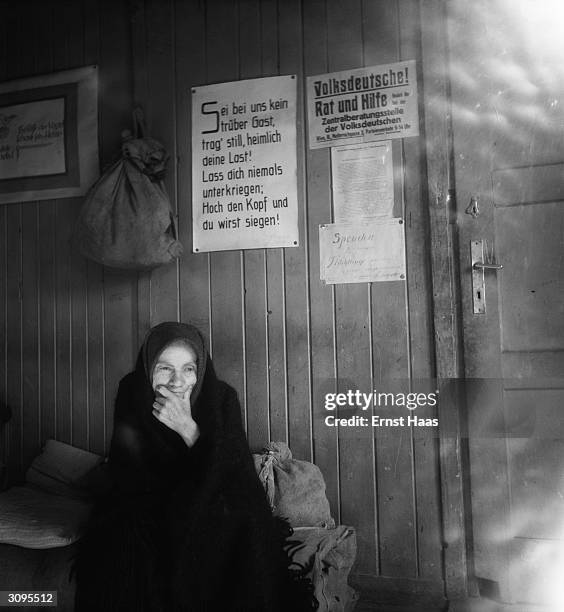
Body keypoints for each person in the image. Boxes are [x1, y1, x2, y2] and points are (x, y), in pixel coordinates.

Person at [74, 322, 316, 612]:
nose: (178, 381)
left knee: (246, 523)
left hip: (210, 492)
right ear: (148, 367)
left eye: (188, 369)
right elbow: (127, 471)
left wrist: (189, 429)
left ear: (199, 370)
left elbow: (236, 476)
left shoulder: (221, 398)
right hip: (149, 497)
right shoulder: (132, 391)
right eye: (164, 368)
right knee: (126, 540)